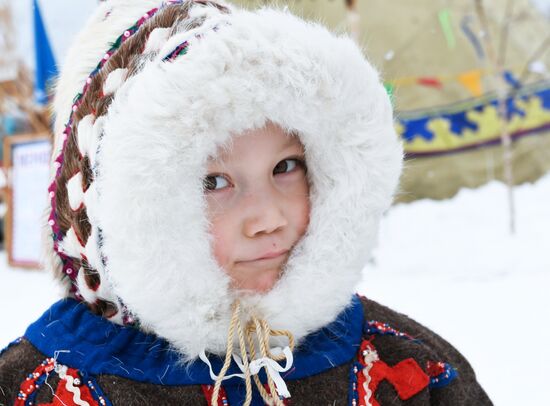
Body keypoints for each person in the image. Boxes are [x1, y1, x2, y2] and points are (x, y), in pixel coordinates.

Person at [0, 0, 492, 405]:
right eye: (214, 182)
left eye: (285, 168)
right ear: (116, 208)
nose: (269, 219)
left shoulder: (403, 367)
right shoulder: (40, 387)